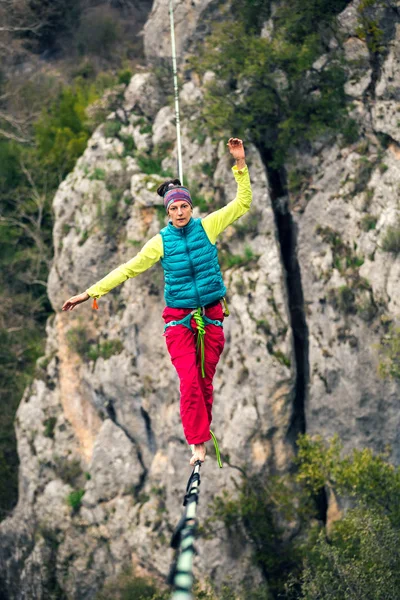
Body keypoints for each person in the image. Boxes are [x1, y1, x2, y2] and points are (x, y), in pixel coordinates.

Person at [62, 138, 252, 465]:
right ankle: (197, 444)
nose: (179, 212)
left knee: (205, 383)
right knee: (190, 382)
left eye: (183, 207)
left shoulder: (208, 226)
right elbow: (128, 269)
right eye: (173, 209)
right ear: (167, 213)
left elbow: (243, 203)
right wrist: (90, 293)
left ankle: (201, 434)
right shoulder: (160, 243)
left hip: (212, 318)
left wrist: (240, 166)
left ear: (191, 208)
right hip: (179, 322)